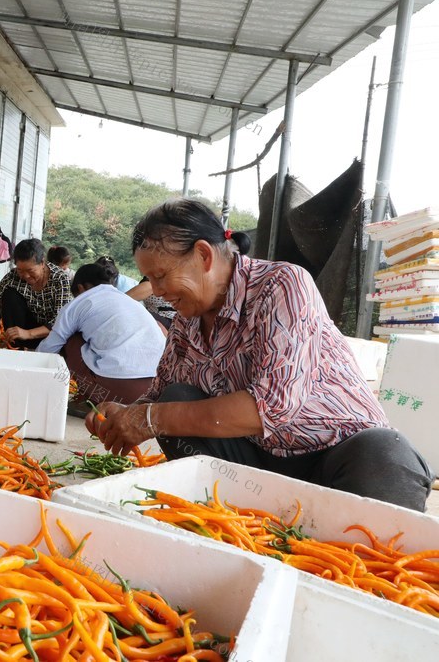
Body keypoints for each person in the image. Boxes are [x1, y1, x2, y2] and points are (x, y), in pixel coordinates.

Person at [86, 198, 433, 511]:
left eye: (161, 276)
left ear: (204, 256)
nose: (157, 291)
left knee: (385, 454)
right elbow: (158, 395)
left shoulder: (282, 285)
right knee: (174, 399)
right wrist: (122, 416)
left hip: (335, 456)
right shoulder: (186, 323)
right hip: (260, 466)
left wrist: (150, 418)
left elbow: (273, 407)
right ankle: (241, 522)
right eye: (149, 278)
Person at [37, 261, 164, 405]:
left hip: (117, 392)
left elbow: (49, 348)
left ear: (80, 287)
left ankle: (90, 396)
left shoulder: (79, 303)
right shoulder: (128, 301)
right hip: (154, 390)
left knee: (70, 339)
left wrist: (31, 364)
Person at [0, 238, 72, 350]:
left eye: (30, 271)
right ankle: (14, 346)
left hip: (48, 335)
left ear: (42, 263)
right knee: (10, 294)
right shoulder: (12, 277)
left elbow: (61, 321)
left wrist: (28, 333)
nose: (25, 276)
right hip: (20, 334)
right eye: (20, 270)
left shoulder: (60, 279)